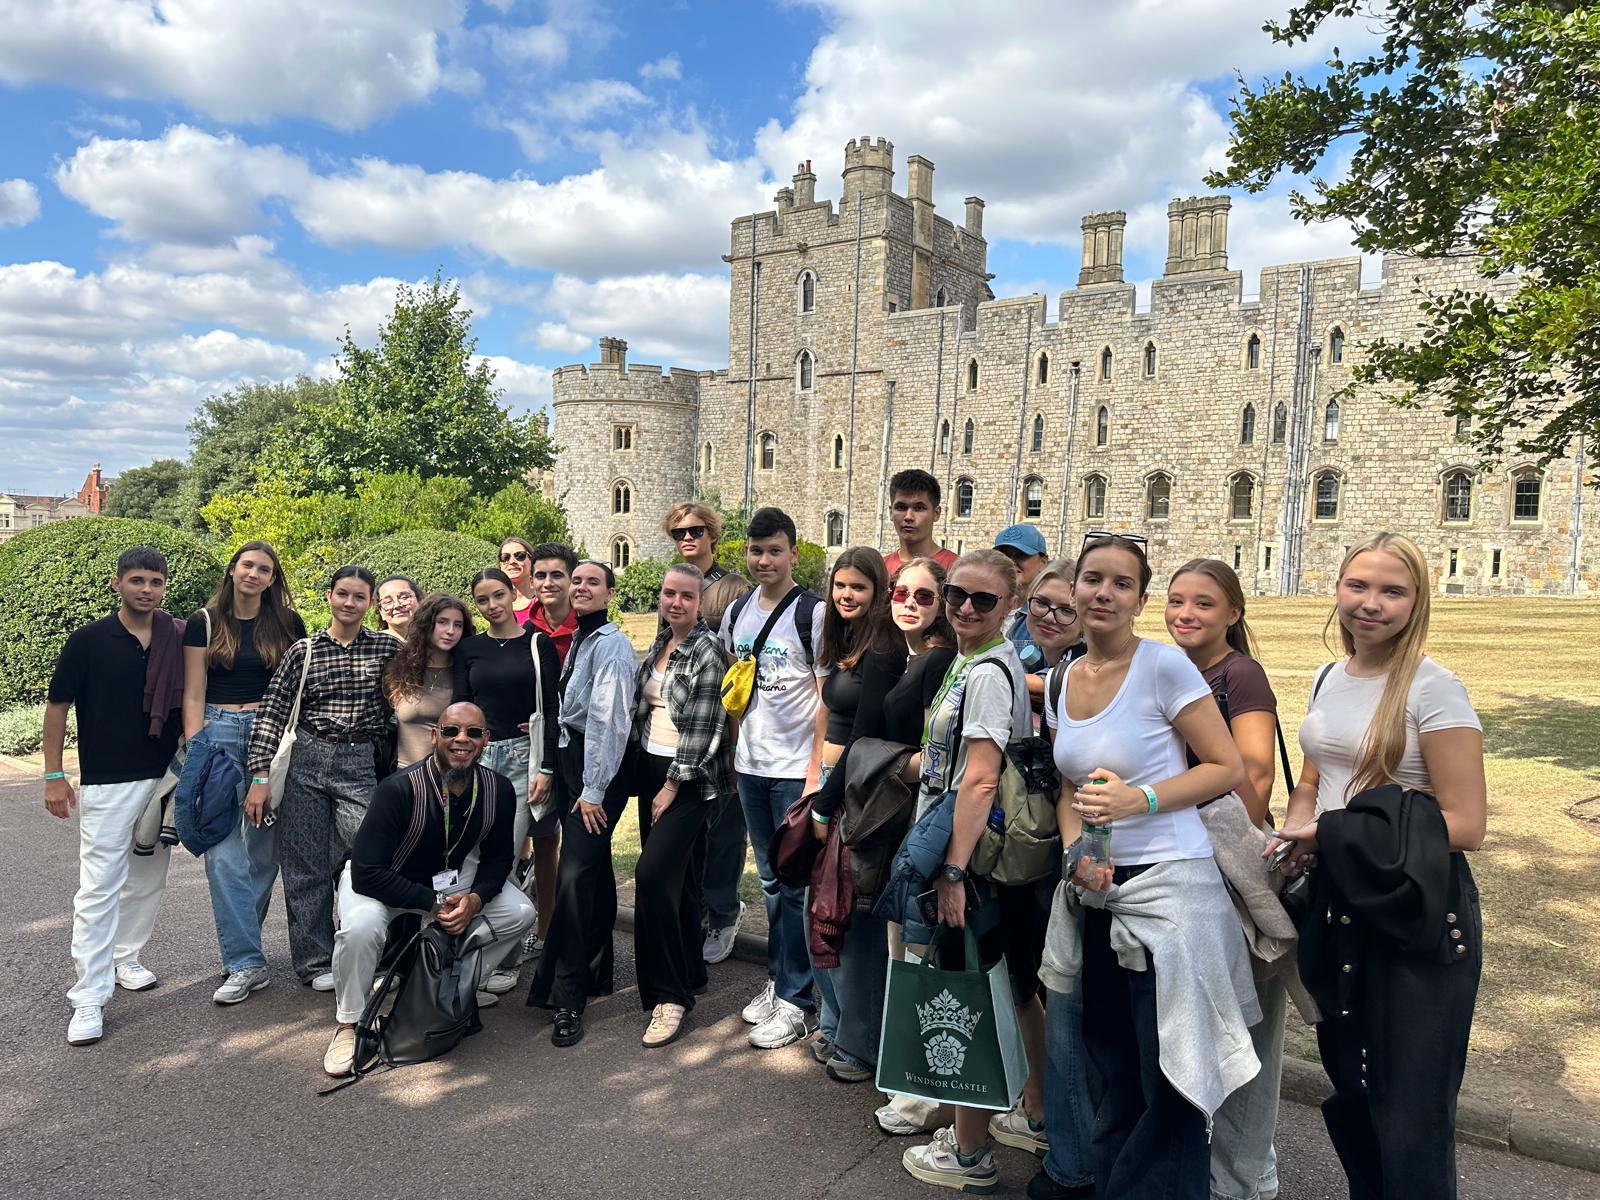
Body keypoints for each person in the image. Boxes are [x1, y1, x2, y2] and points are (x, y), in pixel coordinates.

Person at [1037, 535, 1257, 1200]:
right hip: (1102, 895)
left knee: (1169, 1073)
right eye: (1093, 580)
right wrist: (1078, 854)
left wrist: (1144, 798)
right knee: (1111, 1059)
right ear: (1075, 589)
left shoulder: (1164, 668)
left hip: (1171, 891)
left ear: (1139, 598)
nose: (1104, 593)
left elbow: (1227, 767)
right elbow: (1067, 788)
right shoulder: (1062, 678)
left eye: (1121, 584)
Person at [1267, 533, 1486, 1200]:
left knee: (1410, 1109)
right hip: (1339, 902)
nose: (1370, 604)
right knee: (1353, 1087)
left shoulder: (1434, 690)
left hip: (1416, 908)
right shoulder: (1331, 676)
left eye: (1392, 591)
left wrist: (1331, 835)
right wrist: (1296, 821)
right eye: (1358, 586)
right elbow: (1315, 776)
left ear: (1417, 601)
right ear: (1337, 587)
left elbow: (1466, 824)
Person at [896, 549, 1048, 1194]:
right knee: (1010, 988)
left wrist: (952, 871)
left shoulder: (986, 671)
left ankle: (968, 1151)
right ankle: (1035, 1111)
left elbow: (981, 777)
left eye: (984, 600)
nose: (964, 606)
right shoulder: (974, 659)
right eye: (957, 593)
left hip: (972, 856)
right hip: (975, 851)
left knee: (966, 993)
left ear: (1010, 605)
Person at [322, 702, 537, 1077]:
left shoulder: (498, 789)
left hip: (448, 883)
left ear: (486, 740)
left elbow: (498, 860)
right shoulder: (398, 789)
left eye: (473, 732)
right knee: (361, 929)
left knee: (520, 912)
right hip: (383, 881)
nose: (462, 740)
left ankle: (449, 985)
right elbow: (367, 874)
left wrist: (475, 899)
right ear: (435, 735)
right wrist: (433, 904)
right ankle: (349, 1023)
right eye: (452, 731)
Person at [1166, 557, 1286, 1200]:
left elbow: (1256, 782)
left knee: (1252, 1025)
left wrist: (1178, 796)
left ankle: (1247, 1173)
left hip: (1226, 865)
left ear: (1233, 614)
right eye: (1178, 600)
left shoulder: (1239, 673)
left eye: (1204, 604)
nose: (1186, 613)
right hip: (1178, 863)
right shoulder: (1167, 667)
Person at [45, 546, 185, 1046]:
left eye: (155, 581)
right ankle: (88, 995)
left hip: (165, 777)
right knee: (100, 885)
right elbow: (58, 706)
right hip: (107, 780)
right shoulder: (88, 641)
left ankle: (126, 956)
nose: (147, 589)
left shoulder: (177, 636)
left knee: (148, 877)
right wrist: (52, 774)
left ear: (164, 587)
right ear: (117, 584)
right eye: (138, 580)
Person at [243, 565, 401, 993]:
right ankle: (314, 962)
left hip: (359, 761)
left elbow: (424, 688)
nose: (350, 603)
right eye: (343, 594)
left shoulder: (388, 647)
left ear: (370, 604)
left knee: (369, 858)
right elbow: (273, 712)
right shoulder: (304, 650)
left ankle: (374, 950)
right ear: (329, 596)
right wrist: (259, 774)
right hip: (308, 759)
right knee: (305, 865)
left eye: (360, 597)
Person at [181, 540, 307, 1006]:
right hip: (217, 730)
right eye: (247, 565)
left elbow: (295, 687)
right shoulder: (205, 621)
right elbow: (192, 692)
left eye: (264, 569)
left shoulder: (289, 624)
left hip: (269, 735)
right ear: (233, 570)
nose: (254, 574)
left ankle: (242, 949)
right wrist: (198, 748)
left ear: (273, 579)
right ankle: (246, 962)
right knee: (222, 850)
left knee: (263, 851)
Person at [719, 506, 827, 1050]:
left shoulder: (814, 613)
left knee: (796, 887)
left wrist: (814, 776)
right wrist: (738, 753)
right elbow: (736, 689)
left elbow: (827, 698)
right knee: (769, 882)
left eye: (775, 550)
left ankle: (798, 998)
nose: (765, 560)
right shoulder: (737, 611)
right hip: (752, 766)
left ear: (794, 552)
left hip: (794, 772)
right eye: (756, 550)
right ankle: (779, 980)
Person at [528, 559, 640, 1047]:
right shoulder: (584, 638)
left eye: (592, 582)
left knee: (574, 877)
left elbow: (609, 722)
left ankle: (569, 996)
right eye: (577, 582)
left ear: (610, 592)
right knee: (590, 870)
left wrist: (593, 790)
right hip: (576, 762)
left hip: (598, 773)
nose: (580, 588)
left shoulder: (611, 646)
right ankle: (597, 972)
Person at [809, 546, 906, 1082]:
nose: (847, 596)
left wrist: (826, 805)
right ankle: (835, 1023)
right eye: (840, 587)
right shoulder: (847, 639)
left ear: (878, 592)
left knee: (853, 915)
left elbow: (867, 735)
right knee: (820, 909)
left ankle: (860, 1042)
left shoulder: (883, 646)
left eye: (858, 588)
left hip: (858, 793)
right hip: (832, 783)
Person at [628, 563, 734, 1046]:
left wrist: (670, 786)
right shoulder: (661, 643)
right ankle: (691, 971)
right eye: (669, 594)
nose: (676, 603)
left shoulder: (707, 650)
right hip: (653, 770)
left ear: (700, 601)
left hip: (687, 780)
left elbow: (705, 729)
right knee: (683, 877)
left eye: (686, 596)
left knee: (651, 877)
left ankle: (670, 997)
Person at [454, 568, 560, 993]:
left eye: (498, 595)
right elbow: (461, 708)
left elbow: (552, 710)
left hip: (521, 758)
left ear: (512, 593)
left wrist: (547, 768)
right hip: (478, 759)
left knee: (507, 854)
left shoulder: (538, 643)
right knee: (473, 852)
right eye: (482, 600)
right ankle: (480, 945)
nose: (492, 605)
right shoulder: (469, 649)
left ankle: (507, 957)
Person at [699, 570, 753, 964]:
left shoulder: (742, 652)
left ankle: (724, 912)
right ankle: (711, 909)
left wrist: (735, 748)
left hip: (734, 756)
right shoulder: (703, 647)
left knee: (725, 839)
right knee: (710, 839)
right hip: (708, 756)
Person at [385, 592, 472, 770]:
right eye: (442, 622)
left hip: (454, 773)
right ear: (426, 623)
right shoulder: (399, 668)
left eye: (458, 625)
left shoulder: (468, 672)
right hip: (405, 774)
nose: (450, 631)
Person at [994, 524, 1053, 674]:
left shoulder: (1049, 616)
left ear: (1043, 562)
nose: (1011, 561)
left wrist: (1000, 678)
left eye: (1020, 555)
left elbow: (1057, 675)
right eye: (1004, 556)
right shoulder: (984, 607)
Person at [884, 469, 958, 574]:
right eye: (901, 507)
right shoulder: (879, 570)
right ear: (891, 512)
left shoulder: (955, 570)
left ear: (936, 513)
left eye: (919, 508)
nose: (908, 517)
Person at [528, 542, 580, 661]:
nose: (548, 584)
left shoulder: (588, 629)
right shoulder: (528, 632)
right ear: (531, 582)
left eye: (556, 575)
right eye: (540, 576)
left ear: (572, 580)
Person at [662, 500, 729, 583]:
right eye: (679, 533)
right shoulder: (672, 586)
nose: (687, 537)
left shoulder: (734, 587)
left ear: (712, 535)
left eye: (695, 531)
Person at [497, 537, 540, 626]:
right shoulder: (495, 604)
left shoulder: (544, 600)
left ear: (532, 561)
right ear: (500, 565)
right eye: (505, 557)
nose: (512, 561)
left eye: (520, 556)